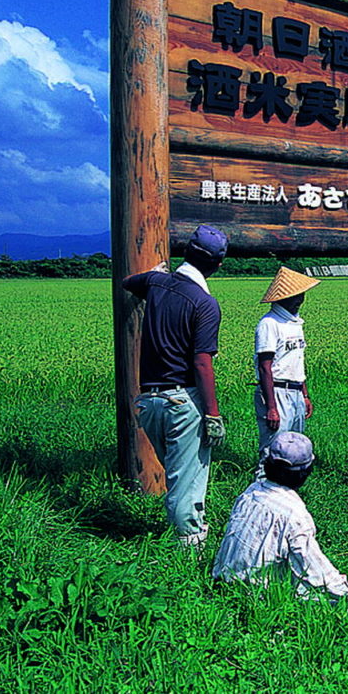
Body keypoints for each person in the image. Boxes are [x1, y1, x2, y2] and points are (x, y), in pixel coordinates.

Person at [123, 225, 228, 547]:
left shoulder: (156, 283)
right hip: (182, 402)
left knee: (175, 474)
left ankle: (178, 536)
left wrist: (155, 274)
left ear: (186, 253)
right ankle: (189, 551)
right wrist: (212, 414)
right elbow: (202, 362)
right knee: (188, 482)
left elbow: (130, 283)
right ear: (218, 264)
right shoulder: (204, 303)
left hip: (148, 403)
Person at [213, 432, 348, 604]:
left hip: (223, 578)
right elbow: (314, 568)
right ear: (305, 472)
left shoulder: (252, 491)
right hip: (256, 594)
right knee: (313, 593)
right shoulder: (293, 513)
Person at [254, 267, 319, 475]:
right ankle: (262, 487)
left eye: (301, 295)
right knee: (273, 449)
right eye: (296, 295)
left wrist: (304, 395)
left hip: (295, 391)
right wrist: (271, 407)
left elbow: (297, 362)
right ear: (283, 297)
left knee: (294, 447)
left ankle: (289, 487)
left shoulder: (295, 323)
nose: (300, 300)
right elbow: (265, 367)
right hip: (277, 391)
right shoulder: (269, 323)